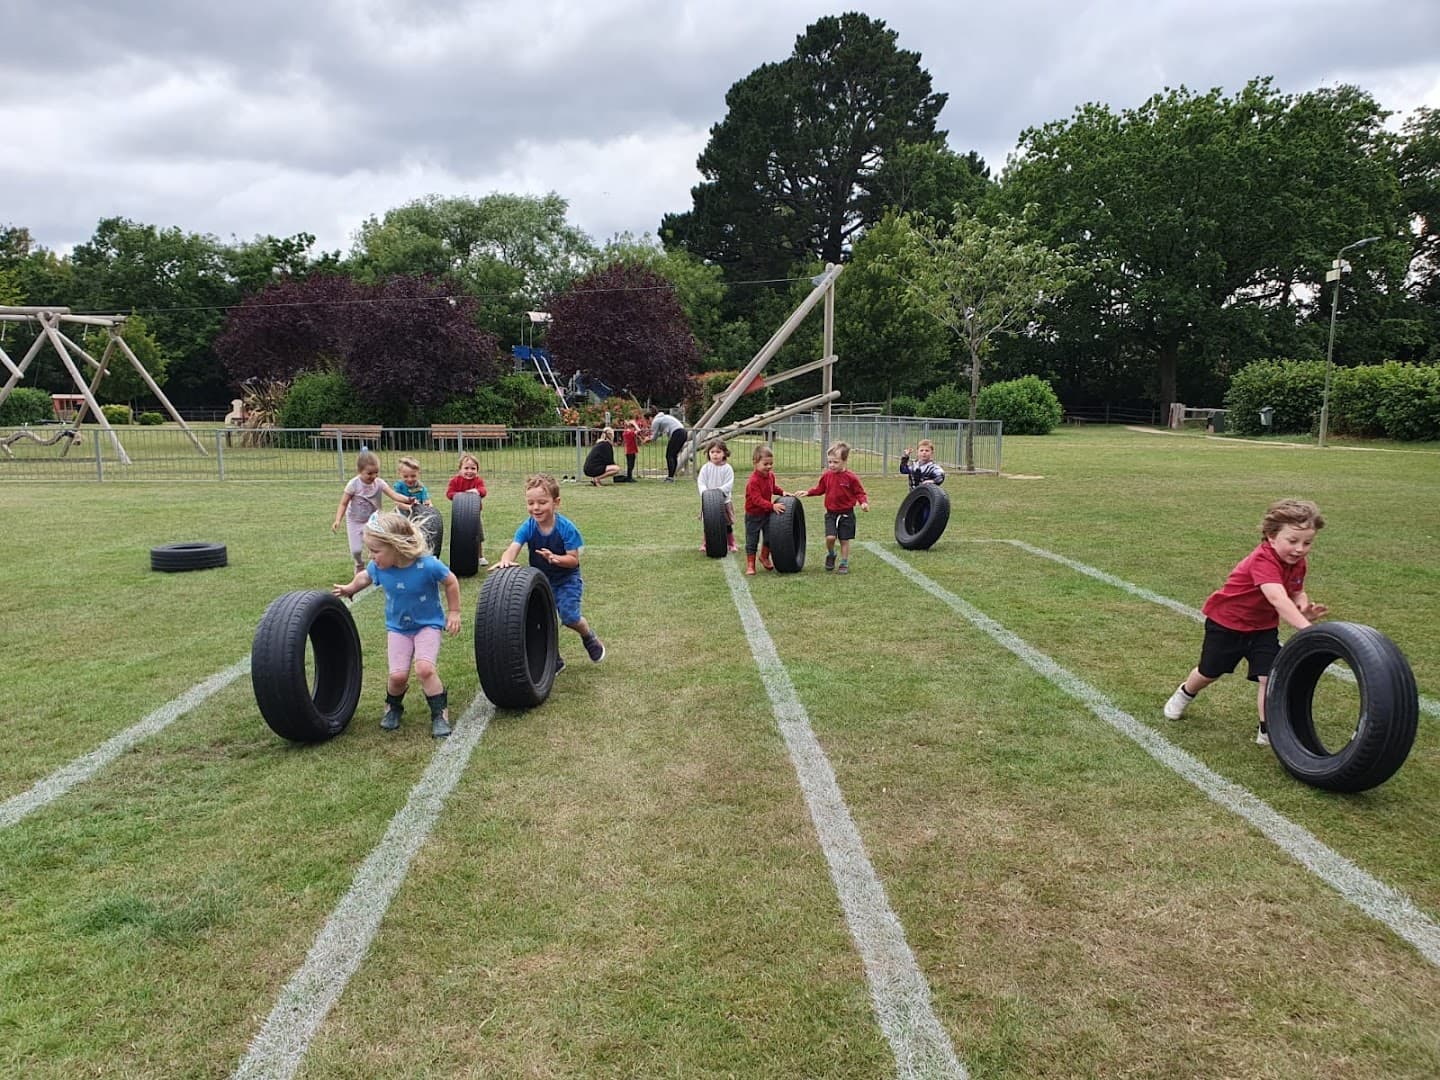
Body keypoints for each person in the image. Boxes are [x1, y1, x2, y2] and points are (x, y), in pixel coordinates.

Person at [1163, 499, 1329, 746]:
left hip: (1263, 629)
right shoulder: (1263, 560)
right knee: (1210, 671)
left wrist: (1303, 608)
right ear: (1272, 537)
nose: (1299, 549)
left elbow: (1295, 592)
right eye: (1292, 541)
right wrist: (1306, 629)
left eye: (1307, 543)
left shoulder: (1297, 563)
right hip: (1227, 624)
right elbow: (1276, 597)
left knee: (1269, 676)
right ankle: (1186, 692)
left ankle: (1267, 729)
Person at [333, 511, 462, 737]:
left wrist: (454, 612)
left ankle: (439, 713)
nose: (371, 557)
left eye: (375, 551)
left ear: (397, 546)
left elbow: (450, 581)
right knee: (397, 676)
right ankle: (392, 706)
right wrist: (350, 588)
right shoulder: (380, 568)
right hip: (398, 629)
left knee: (425, 669)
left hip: (427, 625)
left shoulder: (428, 565)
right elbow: (364, 577)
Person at [494, 473, 605, 669]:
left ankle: (588, 636)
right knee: (540, 621)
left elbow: (573, 560)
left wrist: (555, 558)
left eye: (542, 502)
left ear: (556, 502)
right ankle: (555, 661)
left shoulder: (566, 529)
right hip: (540, 582)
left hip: (566, 580)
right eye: (530, 503)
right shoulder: (528, 527)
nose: (535, 508)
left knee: (570, 617)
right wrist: (505, 561)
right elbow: (513, 547)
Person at [331, 449, 414, 574]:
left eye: (376, 473)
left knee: (380, 546)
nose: (373, 476)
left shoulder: (379, 483)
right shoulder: (353, 484)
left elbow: (393, 495)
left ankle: (382, 566)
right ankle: (359, 564)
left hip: (374, 520)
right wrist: (338, 520)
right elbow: (343, 503)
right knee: (356, 550)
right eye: (369, 473)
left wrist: (408, 499)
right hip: (355, 521)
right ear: (359, 471)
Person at [798, 441, 870, 574]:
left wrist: (863, 503)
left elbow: (859, 492)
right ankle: (831, 554)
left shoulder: (851, 478)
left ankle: (844, 562)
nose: (831, 465)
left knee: (844, 540)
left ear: (844, 461)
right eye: (830, 462)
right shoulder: (827, 475)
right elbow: (820, 489)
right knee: (830, 538)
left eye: (835, 462)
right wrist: (808, 492)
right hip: (831, 514)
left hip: (847, 514)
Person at [742, 443, 788, 576]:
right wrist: (772, 506)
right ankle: (751, 565)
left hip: (767, 514)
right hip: (753, 515)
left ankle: (764, 557)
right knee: (752, 540)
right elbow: (757, 500)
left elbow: (773, 488)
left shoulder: (770, 476)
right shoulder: (753, 481)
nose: (769, 467)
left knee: (769, 537)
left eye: (771, 464)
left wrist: (782, 492)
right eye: (765, 464)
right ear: (755, 463)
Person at [445, 453, 489, 567]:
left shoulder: (478, 481)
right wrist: (461, 495)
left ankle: (480, 556)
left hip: (475, 516)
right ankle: (460, 556)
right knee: (459, 537)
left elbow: (483, 491)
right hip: (459, 516)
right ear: (460, 469)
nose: (469, 471)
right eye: (466, 468)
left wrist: (477, 491)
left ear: (477, 470)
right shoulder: (455, 481)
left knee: (478, 536)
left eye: (473, 468)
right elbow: (449, 494)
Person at [696, 437, 737, 553]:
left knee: (727, 524)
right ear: (708, 453)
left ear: (724, 453)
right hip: (709, 503)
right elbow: (701, 482)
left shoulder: (728, 469)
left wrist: (718, 492)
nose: (715, 455)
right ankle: (705, 543)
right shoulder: (706, 468)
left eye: (718, 452)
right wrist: (706, 494)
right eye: (712, 452)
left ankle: (731, 543)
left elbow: (729, 484)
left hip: (724, 501)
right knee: (708, 524)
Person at [646, 407, 687, 482]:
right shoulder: (664, 417)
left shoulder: (656, 420)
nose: (649, 423)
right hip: (683, 432)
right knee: (673, 455)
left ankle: (670, 477)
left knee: (669, 455)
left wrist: (648, 439)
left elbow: (654, 435)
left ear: (650, 417)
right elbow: (659, 433)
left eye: (648, 420)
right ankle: (672, 476)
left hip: (677, 433)